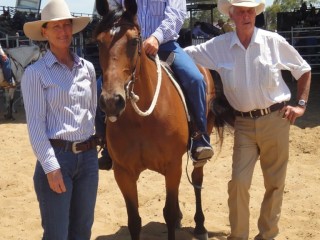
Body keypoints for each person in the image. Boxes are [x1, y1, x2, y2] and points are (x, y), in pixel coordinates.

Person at [184, 0, 312, 239]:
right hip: (242, 124)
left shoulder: (273, 42)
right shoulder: (219, 46)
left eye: (250, 11)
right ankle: (239, 235)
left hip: (276, 119)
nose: (246, 15)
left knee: (274, 184)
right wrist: (157, 45)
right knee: (239, 183)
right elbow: (185, 56)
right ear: (232, 15)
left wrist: (301, 106)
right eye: (241, 11)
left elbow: (303, 69)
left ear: (255, 14)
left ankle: (267, 235)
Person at [99, 0, 214, 168]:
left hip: (165, 45)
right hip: (127, 46)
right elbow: (113, 10)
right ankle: (107, 145)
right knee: (99, 87)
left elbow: (176, 14)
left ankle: (199, 138)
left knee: (195, 79)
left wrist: (156, 37)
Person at [21, 0, 100, 239]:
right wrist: (51, 167)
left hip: (87, 159)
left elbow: (92, 112)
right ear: (44, 31)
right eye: (56, 27)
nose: (63, 31)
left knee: (83, 231)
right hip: (58, 159)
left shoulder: (87, 69)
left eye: (67, 25)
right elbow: (35, 126)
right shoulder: (35, 74)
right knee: (57, 234)